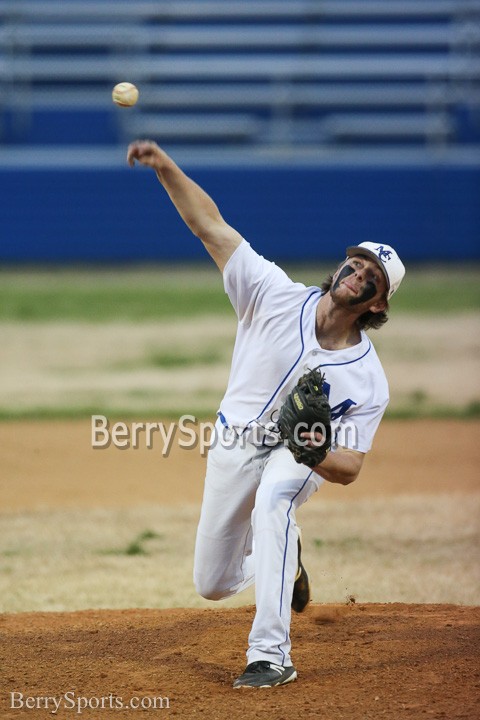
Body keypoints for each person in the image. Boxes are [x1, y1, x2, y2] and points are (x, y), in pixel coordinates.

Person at [127, 140, 405, 689]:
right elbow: (210, 226)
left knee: (276, 500)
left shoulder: (367, 378)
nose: (359, 271)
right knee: (211, 582)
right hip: (233, 444)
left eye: (373, 275)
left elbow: (350, 468)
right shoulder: (272, 293)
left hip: (295, 454)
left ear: (378, 303)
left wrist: (314, 450)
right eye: (357, 260)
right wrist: (163, 166)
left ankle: (270, 655)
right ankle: (285, 559)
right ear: (340, 265)